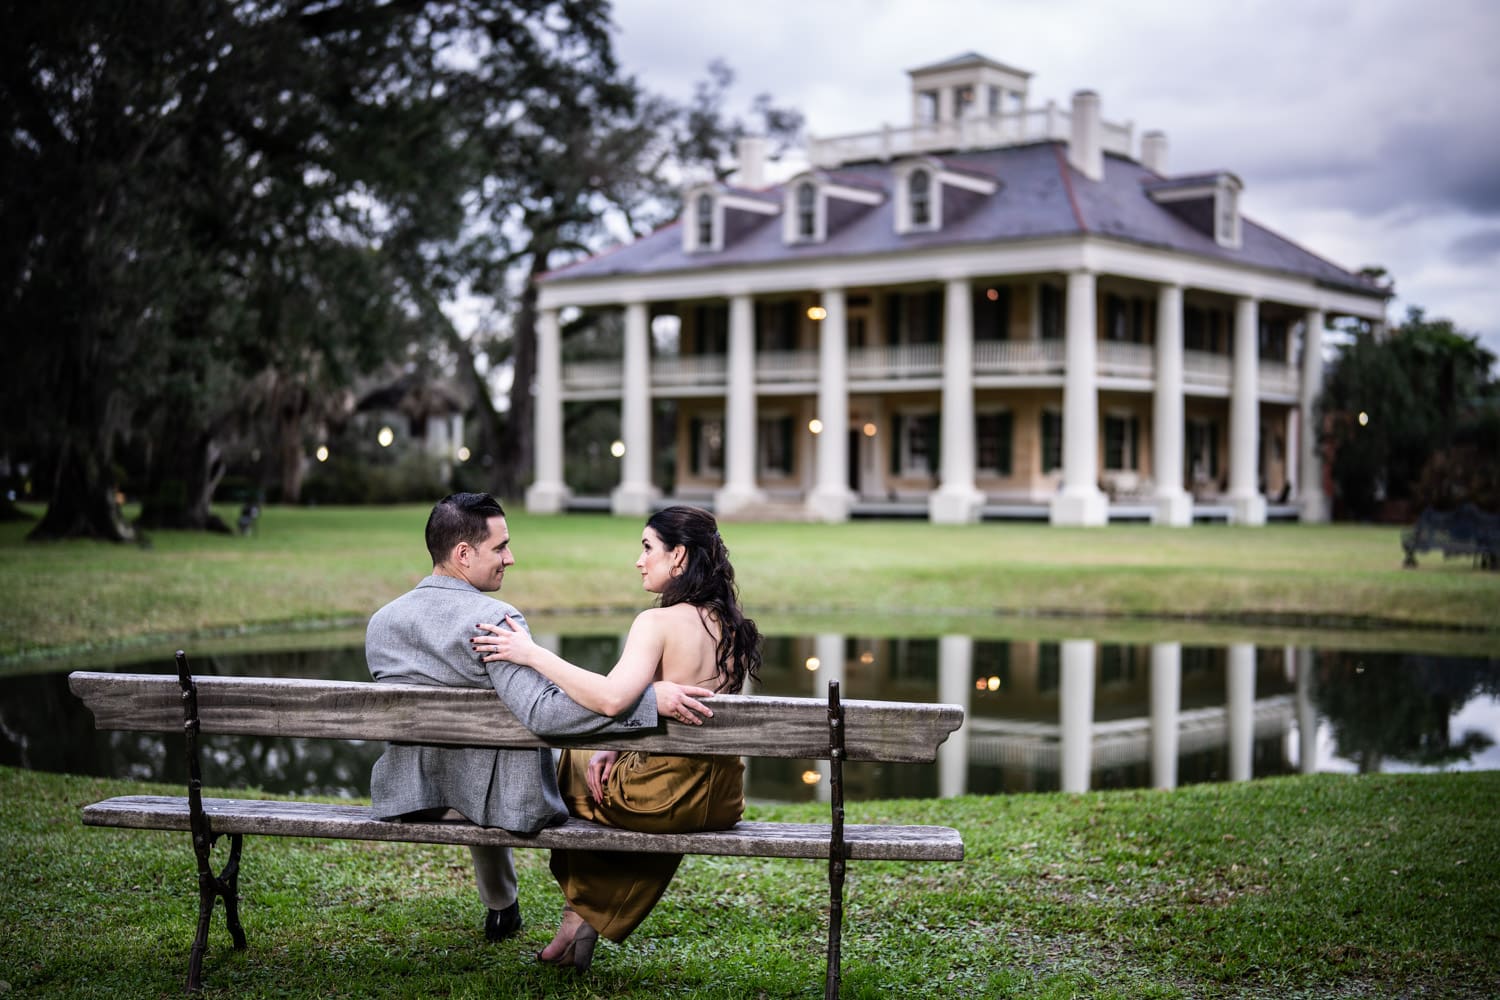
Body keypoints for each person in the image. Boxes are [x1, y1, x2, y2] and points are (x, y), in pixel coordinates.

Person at [365, 492, 714, 944]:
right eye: (500, 547)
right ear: (463, 554)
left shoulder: (382, 621)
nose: (510, 559)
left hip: (412, 792)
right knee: (569, 766)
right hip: (495, 802)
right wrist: (647, 702)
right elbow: (546, 715)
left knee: (469, 760)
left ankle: (502, 907)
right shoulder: (494, 620)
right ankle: (580, 911)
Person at [471, 504, 762, 971]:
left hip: (661, 800)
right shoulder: (733, 627)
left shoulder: (658, 624)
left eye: (648, 548)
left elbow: (608, 700)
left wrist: (529, 654)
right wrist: (628, 728)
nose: (639, 560)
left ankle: (580, 910)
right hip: (722, 799)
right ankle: (579, 919)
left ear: (680, 556)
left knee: (570, 763)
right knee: (596, 759)